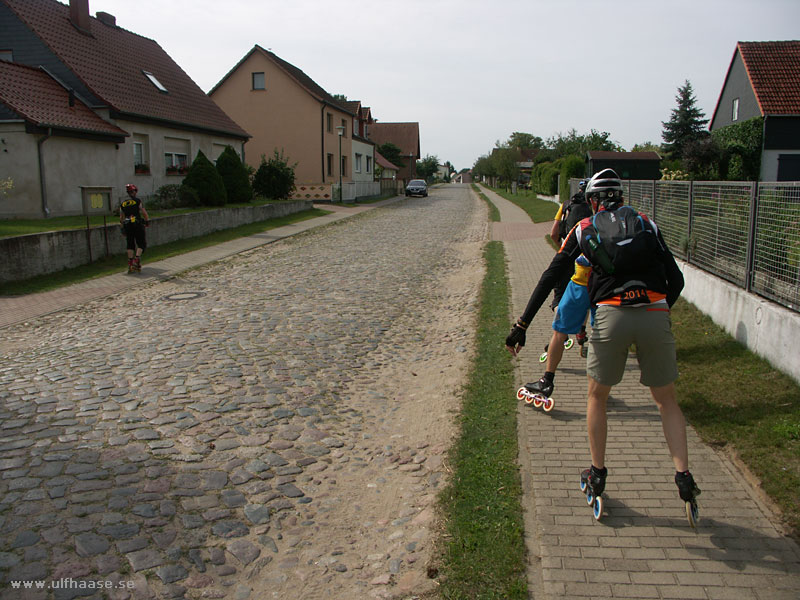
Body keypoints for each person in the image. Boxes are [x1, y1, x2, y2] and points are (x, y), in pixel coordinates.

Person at [505, 168, 700, 514]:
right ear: (621, 197)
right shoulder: (646, 223)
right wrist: (658, 310)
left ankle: (597, 474)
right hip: (655, 312)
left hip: (610, 315)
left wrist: (522, 324)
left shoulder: (584, 227)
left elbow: (551, 274)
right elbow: (677, 280)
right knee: (667, 401)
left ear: (593, 201)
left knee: (597, 397)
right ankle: (684, 477)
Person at [119, 184, 149, 272]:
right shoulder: (137, 201)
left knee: (130, 244)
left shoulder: (123, 204)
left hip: (128, 225)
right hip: (137, 224)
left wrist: (122, 228)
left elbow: (121, 218)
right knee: (141, 243)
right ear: (135, 191)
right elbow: (144, 212)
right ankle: (137, 259)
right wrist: (147, 221)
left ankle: (130, 263)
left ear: (128, 193)